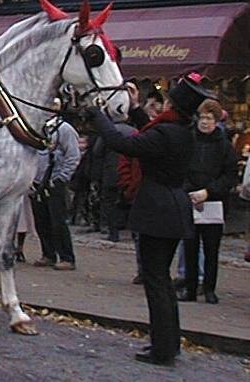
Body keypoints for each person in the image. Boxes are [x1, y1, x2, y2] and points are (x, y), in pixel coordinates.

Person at [86, 76, 215, 367]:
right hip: (173, 207)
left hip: (158, 210)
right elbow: (152, 127)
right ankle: (169, 342)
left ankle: (162, 349)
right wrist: (133, 109)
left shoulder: (166, 133)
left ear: (171, 105)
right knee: (163, 282)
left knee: (155, 280)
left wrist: (99, 116)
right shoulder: (181, 130)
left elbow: (123, 142)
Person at [177, 99, 237, 305]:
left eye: (209, 118)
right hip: (190, 198)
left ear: (216, 121)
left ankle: (209, 288)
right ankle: (190, 287)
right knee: (190, 246)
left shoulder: (224, 146)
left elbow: (229, 176)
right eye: (202, 117)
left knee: (211, 249)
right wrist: (189, 190)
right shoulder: (189, 141)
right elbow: (181, 169)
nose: (204, 122)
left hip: (214, 203)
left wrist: (209, 191)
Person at [31, 113, 81, 271]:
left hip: (54, 180)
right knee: (41, 220)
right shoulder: (35, 127)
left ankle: (67, 257)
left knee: (58, 221)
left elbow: (73, 155)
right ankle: (48, 254)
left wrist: (62, 177)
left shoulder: (64, 129)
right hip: (36, 182)